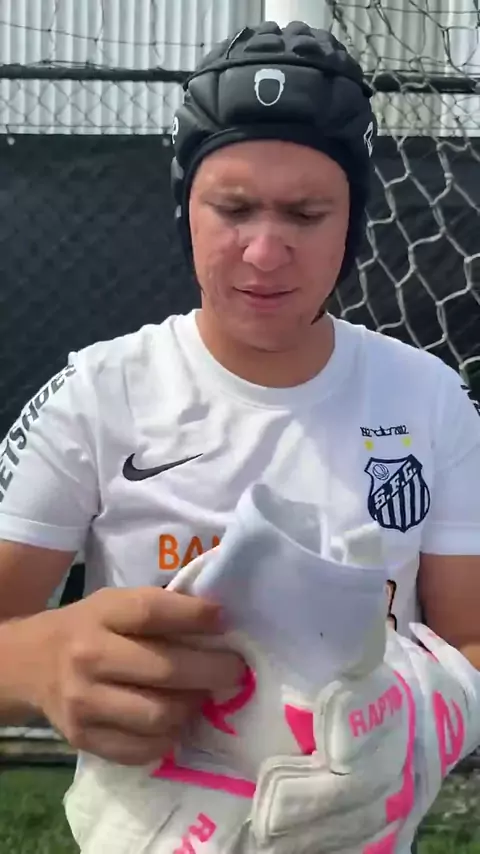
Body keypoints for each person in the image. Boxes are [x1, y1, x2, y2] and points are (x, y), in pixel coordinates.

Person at [0, 18, 480, 848]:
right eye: (232, 208)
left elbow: (469, 637)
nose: (263, 252)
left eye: (305, 213)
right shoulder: (98, 394)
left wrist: (422, 720)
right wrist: (35, 663)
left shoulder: (430, 399)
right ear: (184, 209)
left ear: (354, 223)